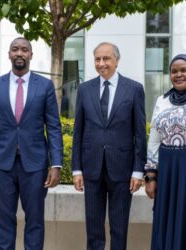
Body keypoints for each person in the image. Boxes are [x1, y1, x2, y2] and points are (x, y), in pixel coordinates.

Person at [0, 37, 63, 250]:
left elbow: (53, 127)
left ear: (31, 55)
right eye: (15, 49)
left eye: (24, 49)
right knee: (4, 222)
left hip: (35, 166)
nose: (19, 53)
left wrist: (56, 164)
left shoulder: (45, 86)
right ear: (8, 54)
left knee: (35, 222)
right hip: (3, 165)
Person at [72, 42, 146, 250]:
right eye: (98, 59)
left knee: (119, 228)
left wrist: (138, 171)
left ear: (117, 61)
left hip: (122, 169)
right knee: (93, 229)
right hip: (91, 168)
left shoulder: (133, 89)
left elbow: (139, 133)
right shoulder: (85, 90)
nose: (102, 63)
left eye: (106, 59)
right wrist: (76, 169)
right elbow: (79, 131)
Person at [145, 54, 186, 250]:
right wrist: (151, 178)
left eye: (183, 70)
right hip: (167, 170)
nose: (179, 74)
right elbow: (153, 140)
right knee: (166, 216)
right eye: (174, 71)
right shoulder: (162, 101)